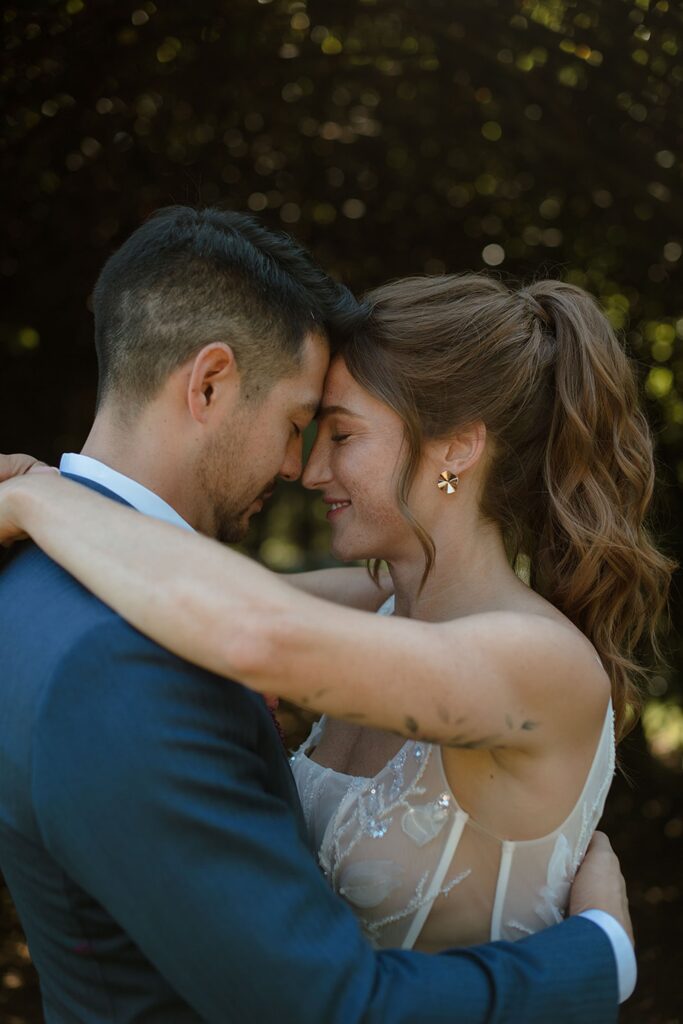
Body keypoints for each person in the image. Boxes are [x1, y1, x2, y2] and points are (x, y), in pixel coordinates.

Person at [0, 207, 636, 1023]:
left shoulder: (537, 660)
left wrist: (44, 497)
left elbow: (252, 627)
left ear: (455, 449)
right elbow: (212, 593)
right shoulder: (375, 605)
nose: (307, 467)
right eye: (306, 428)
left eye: (337, 433)